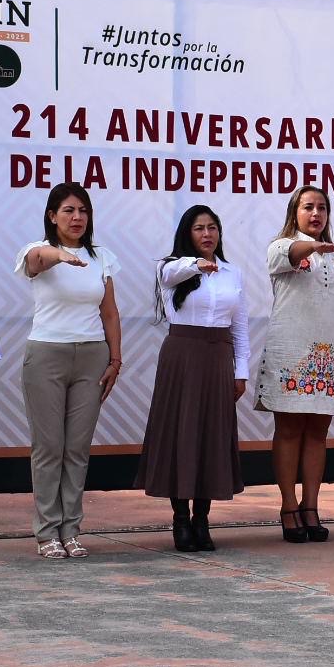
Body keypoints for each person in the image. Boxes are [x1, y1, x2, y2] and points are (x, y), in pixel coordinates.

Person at [16, 182, 122, 560]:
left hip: (92, 355)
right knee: (49, 447)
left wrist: (115, 360)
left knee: (77, 447)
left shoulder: (102, 256)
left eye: (83, 211)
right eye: (68, 211)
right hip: (46, 354)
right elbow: (35, 262)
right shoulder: (36, 251)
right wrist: (60, 256)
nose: (77, 218)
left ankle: (71, 529)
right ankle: (46, 531)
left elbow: (109, 311)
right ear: (52, 216)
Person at [136, 205, 249, 553]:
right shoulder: (171, 268)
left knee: (210, 435)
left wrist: (240, 370)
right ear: (187, 234)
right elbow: (170, 273)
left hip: (218, 357)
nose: (207, 234)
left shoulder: (232, 273)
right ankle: (180, 519)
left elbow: (240, 326)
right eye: (199, 228)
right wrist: (196, 264)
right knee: (181, 434)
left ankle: (203, 519)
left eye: (212, 228)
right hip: (182, 356)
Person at [257, 186, 334, 544]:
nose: (316, 214)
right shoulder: (282, 247)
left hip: (329, 355)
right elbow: (296, 251)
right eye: (308, 207)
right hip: (291, 352)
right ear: (295, 212)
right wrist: (313, 247)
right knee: (288, 430)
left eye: (322, 208)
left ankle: (311, 507)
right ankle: (288, 507)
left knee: (318, 432)